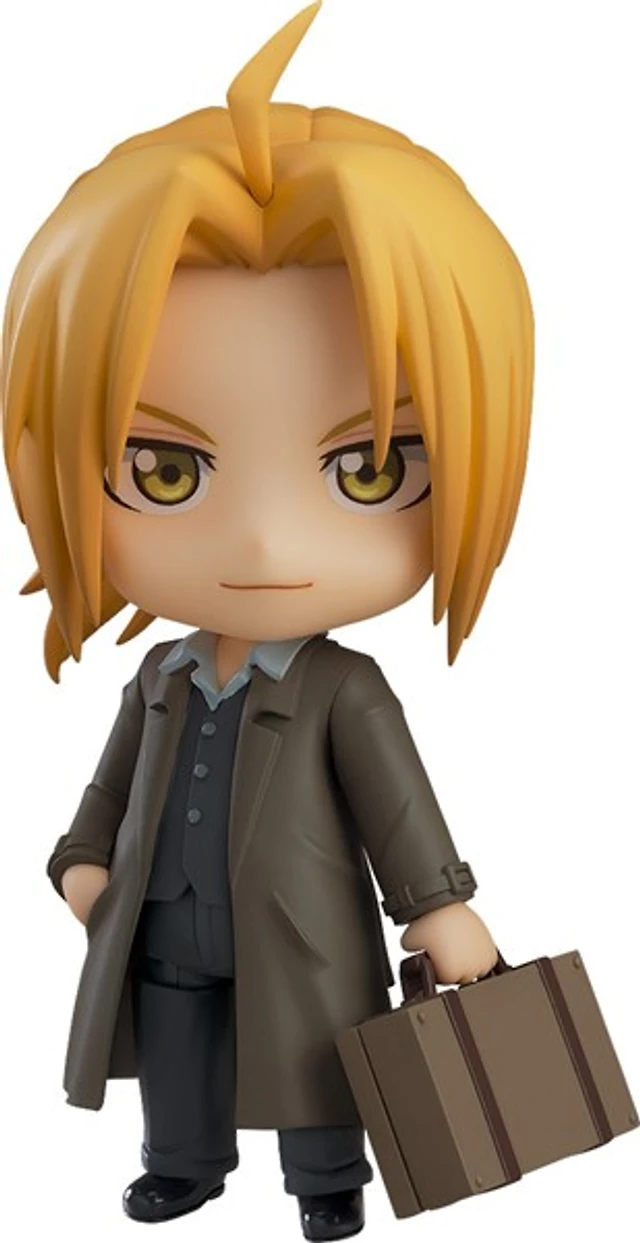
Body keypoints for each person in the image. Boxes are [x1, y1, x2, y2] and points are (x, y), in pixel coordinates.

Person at [1, 3, 533, 1239]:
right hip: (163, 920)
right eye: (165, 470)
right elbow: (111, 784)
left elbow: (397, 804)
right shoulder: (159, 676)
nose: (261, 545)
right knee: (178, 1047)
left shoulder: (344, 687)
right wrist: (82, 860)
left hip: (302, 929)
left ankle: (326, 1180)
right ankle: (182, 1163)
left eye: (370, 468)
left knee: (315, 1058)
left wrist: (438, 905)